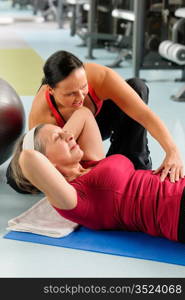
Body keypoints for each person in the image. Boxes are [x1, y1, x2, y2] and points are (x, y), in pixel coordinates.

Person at [6, 50, 183, 193]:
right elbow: (56, 167)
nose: (80, 97)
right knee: (18, 179)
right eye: (70, 94)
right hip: (67, 141)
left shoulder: (99, 77)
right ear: (51, 91)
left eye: (83, 87)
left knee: (137, 88)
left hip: (100, 123)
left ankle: (133, 160)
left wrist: (172, 151)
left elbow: (144, 114)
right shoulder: (42, 117)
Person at [10, 107, 185, 243]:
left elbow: (83, 114)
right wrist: (43, 145)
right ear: (46, 161)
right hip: (176, 211)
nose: (69, 134)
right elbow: (28, 157)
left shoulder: (90, 162)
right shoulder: (74, 198)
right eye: (58, 138)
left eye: (63, 131)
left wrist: (60, 138)